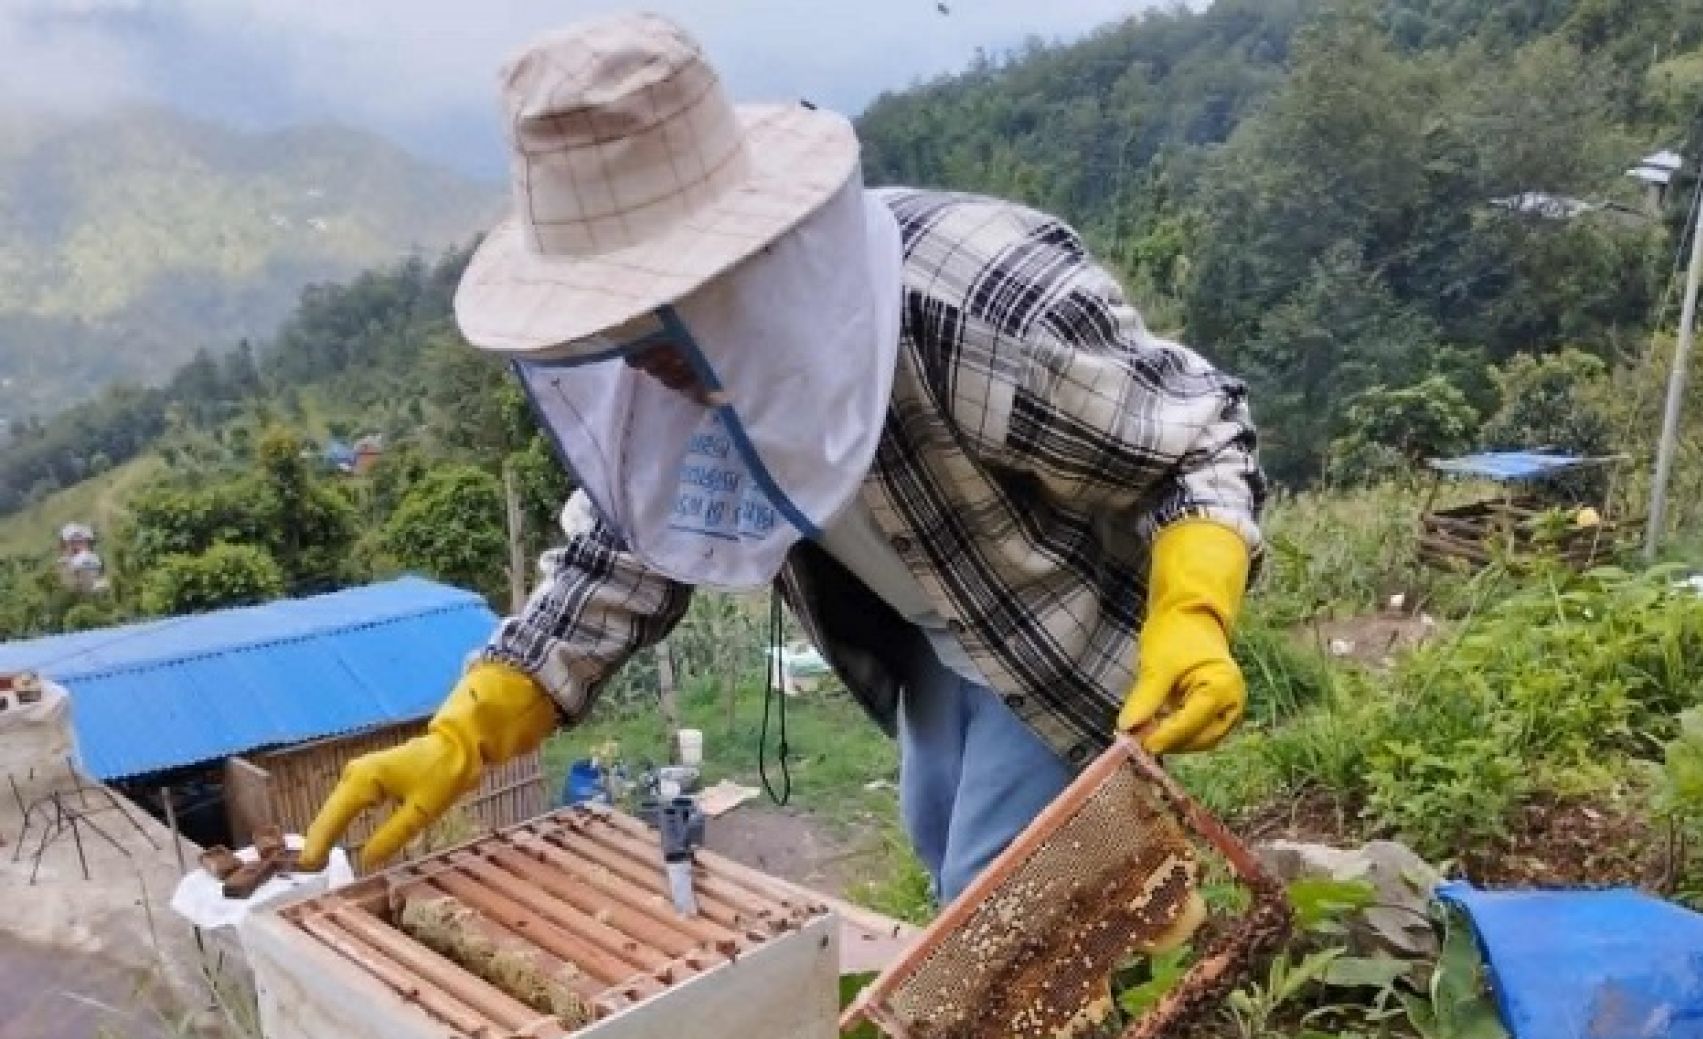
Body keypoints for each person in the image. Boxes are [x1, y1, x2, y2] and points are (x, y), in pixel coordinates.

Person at [300, 13, 1267, 905]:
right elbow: (618, 554)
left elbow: (1198, 442)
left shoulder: (975, 302)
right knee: (945, 849)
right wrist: (464, 732)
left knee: (999, 909)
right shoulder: (663, 371)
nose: (638, 351)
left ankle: (1135, 981)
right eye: (611, 321)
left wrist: (1192, 616)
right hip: (933, 632)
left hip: (1070, 621)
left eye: (661, 306)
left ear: (757, 248)